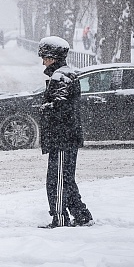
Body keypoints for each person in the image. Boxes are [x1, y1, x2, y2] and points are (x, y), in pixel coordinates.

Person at [37, 36, 93, 229]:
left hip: (61, 138)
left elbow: (60, 109)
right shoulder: (65, 75)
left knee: (57, 181)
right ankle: (81, 214)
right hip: (66, 137)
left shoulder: (61, 77)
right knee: (66, 178)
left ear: (52, 57)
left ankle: (60, 219)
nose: (42, 61)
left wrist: (44, 108)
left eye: (44, 56)